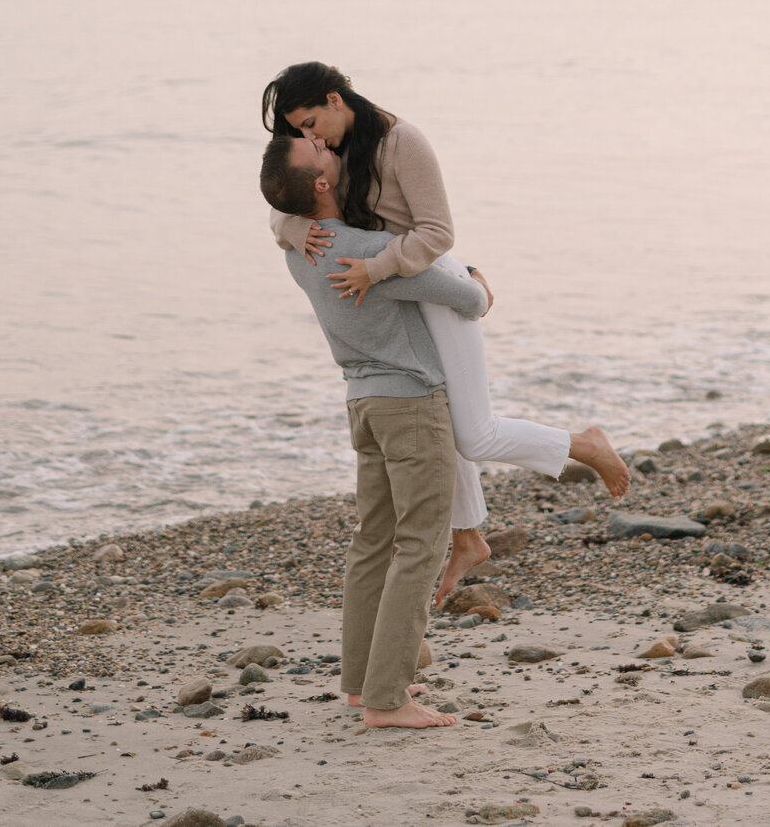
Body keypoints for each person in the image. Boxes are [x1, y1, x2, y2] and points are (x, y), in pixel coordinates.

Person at [261, 61, 630, 599]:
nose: (309, 137)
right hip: (392, 291)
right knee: (436, 412)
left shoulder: (401, 141)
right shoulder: (326, 153)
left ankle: (582, 444)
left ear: (336, 100)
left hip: (424, 279)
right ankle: (468, 536)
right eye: (301, 131)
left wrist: (377, 268)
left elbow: (437, 231)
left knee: (472, 433)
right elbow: (284, 200)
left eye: (312, 123)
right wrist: (294, 226)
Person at [266, 133, 483, 729]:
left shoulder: (298, 250)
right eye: (319, 153)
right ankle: (388, 698)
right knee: (420, 544)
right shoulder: (369, 251)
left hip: (362, 403)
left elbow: (283, 220)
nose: (326, 145)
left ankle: (360, 684)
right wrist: (481, 285)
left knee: (372, 542)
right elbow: (464, 297)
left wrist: (285, 223)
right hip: (411, 404)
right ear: (320, 184)